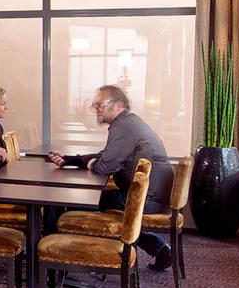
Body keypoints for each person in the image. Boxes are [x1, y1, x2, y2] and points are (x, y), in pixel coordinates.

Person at [49, 85, 174, 272]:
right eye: (95, 104)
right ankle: (159, 248)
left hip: (145, 200)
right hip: (146, 196)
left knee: (75, 204)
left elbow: (103, 166)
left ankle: (61, 258)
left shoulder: (123, 126)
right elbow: (105, 155)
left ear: (119, 106)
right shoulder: (127, 123)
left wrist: (89, 164)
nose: (96, 108)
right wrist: (71, 159)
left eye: (101, 103)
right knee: (91, 201)